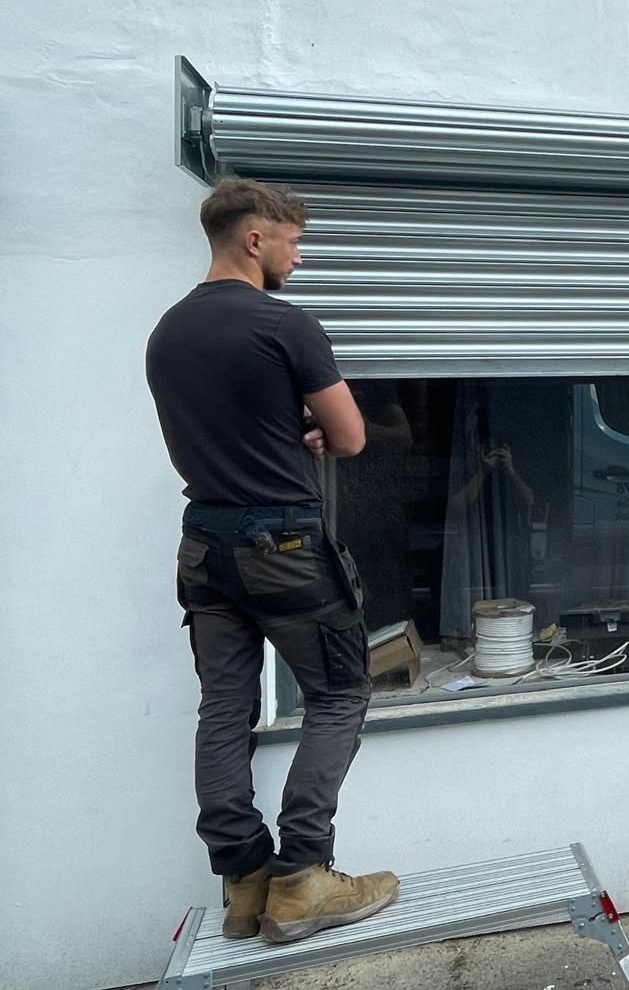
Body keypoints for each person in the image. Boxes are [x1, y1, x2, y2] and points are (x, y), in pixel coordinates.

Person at [146, 177, 399, 944]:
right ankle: (303, 878)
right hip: (283, 546)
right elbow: (352, 437)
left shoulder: (168, 331)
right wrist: (320, 432)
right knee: (339, 693)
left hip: (204, 545)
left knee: (224, 709)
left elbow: (223, 433)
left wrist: (290, 433)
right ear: (254, 239)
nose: (299, 256)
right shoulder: (284, 324)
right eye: (293, 241)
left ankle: (245, 882)